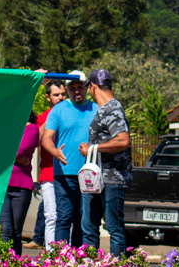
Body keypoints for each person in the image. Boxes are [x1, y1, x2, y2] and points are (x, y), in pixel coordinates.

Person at [40, 71, 97, 248]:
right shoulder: (58, 110)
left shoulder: (96, 109)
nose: (76, 91)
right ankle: (61, 260)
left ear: (87, 87)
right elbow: (46, 138)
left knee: (84, 218)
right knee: (64, 217)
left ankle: (79, 258)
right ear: (67, 89)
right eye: (72, 88)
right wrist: (55, 152)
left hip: (89, 173)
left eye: (80, 87)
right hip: (64, 173)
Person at [79, 69, 132, 257]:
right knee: (89, 227)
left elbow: (123, 140)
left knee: (114, 227)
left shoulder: (113, 108)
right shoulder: (104, 109)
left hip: (112, 178)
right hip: (96, 179)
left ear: (92, 86)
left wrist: (93, 149)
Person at [29, 80, 67, 249]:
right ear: (48, 97)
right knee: (51, 215)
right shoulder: (43, 117)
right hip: (49, 172)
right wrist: (52, 118)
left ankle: (69, 254)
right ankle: (52, 254)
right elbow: (35, 141)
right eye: (56, 95)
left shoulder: (72, 112)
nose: (60, 98)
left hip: (70, 172)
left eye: (63, 94)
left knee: (68, 215)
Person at [0, 111, 40, 255]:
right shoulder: (4, 125)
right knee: (5, 229)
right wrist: (15, 158)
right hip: (2, 185)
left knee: (16, 232)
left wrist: (6, 154)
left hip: (21, 186)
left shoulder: (32, 129)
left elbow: (19, 151)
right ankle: (1, 266)